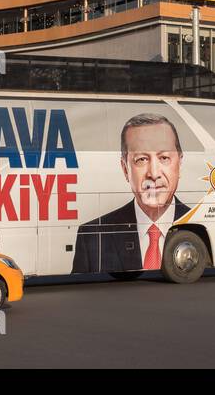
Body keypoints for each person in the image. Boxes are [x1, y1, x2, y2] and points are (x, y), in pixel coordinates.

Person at [71, 112, 190, 274]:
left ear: (180, 163)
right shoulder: (91, 236)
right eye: (141, 159)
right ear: (125, 169)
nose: (154, 174)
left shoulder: (203, 225)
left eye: (164, 158)